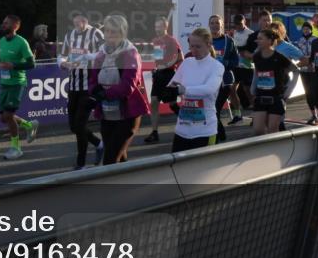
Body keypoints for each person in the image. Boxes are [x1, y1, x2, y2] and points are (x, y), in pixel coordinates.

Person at [88, 15, 150, 164]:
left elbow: (127, 86)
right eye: (107, 31)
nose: (110, 36)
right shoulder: (101, 53)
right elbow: (92, 78)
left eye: (114, 32)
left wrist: (104, 93)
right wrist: (94, 90)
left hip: (127, 114)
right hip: (107, 113)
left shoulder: (131, 54)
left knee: (109, 160)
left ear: (122, 33)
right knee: (119, 157)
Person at [0, 15, 39, 160]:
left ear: (15, 26)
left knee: (8, 116)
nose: (3, 25)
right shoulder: (2, 41)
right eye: (3, 22)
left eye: (6, 23)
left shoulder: (22, 42)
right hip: (5, 83)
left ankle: (16, 148)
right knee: (4, 118)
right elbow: (0, 60)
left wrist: (14, 65)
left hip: (17, 83)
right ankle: (28, 125)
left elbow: (32, 64)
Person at [163, 27, 224, 151]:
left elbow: (209, 89)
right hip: (182, 129)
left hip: (205, 130)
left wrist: (183, 90)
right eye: (191, 46)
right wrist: (168, 93)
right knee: (178, 168)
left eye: (198, 47)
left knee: (201, 169)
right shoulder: (187, 63)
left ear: (208, 45)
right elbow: (172, 85)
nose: (193, 50)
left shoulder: (216, 66)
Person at [59, 14, 105, 167]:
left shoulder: (95, 33)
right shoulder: (69, 35)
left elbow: (103, 53)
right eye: (76, 20)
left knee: (79, 125)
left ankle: (81, 164)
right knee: (74, 127)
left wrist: (87, 56)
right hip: (73, 86)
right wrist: (64, 64)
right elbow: (62, 55)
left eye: (82, 20)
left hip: (89, 86)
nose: (79, 23)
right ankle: (99, 144)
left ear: (87, 20)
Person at [250, 29, 299, 135]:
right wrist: (252, 88)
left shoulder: (279, 57)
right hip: (260, 96)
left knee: (273, 131)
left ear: (269, 41)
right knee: (258, 130)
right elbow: (257, 72)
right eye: (257, 39)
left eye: (260, 39)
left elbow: (295, 71)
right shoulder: (256, 56)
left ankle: (273, 149)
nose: (257, 41)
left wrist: (289, 91)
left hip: (276, 97)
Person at [144, 17, 183, 145]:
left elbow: (180, 58)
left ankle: (187, 121)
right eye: (156, 27)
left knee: (172, 104)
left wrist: (167, 66)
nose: (157, 29)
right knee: (154, 102)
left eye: (159, 27)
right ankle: (154, 133)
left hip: (169, 75)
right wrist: (157, 68)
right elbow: (159, 58)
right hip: (159, 75)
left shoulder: (171, 40)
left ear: (165, 27)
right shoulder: (156, 40)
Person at [208, 14, 239, 141]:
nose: (215, 25)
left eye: (217, 23)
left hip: (224, 82)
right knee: (212, 110)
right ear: (209, 25)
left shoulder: (229, 41)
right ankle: (219, 135)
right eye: (212, 23)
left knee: (215, 109)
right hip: (209, 81)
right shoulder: (205, 40)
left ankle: (218, 136)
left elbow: (236, 60)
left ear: (222, 25)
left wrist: (226, 64)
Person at [230, 14, 255, 117]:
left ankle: (256, 111)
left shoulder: (251, 33)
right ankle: (237, 113)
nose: (238, 26)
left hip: (248, 66)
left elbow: (254, 51)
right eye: (236, 25)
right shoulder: (234, 33)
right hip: (236, 65)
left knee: (248, 90)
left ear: (244, 22)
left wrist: (245, 52)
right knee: (231, 88)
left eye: (240, 24)